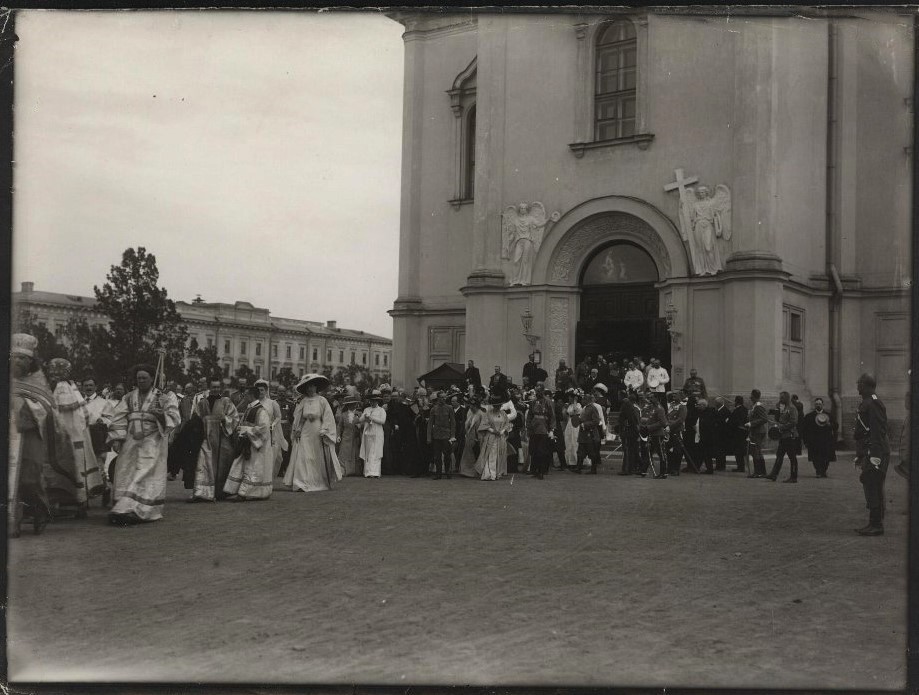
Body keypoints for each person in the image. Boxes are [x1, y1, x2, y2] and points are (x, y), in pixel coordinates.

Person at [107, 364, 180, 525]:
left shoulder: (162, 398)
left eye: (144, 378)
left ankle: (139, 510)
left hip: (152, 441)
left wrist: (161, 416)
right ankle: (122, 507)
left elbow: (174, 418)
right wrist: (117, 439)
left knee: (144, 473)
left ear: (152, 379)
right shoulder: (129, 397)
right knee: (125, 471)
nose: (141, 381)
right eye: (138, 378)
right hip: (131, 442)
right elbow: (118, 418)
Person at [8, 333, 55, 535]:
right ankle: (13, 520)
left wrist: (22, 409)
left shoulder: (38, 381)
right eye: (15, 357)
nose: (17, 361)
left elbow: (46, 406)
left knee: (29, 477)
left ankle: (39, 510)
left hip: (29, 435)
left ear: (31, 361)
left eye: (22, 358)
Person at [46, 358, 104, 508]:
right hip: (75, 434)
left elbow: (69, 415)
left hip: (71, 434)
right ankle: (76, 498)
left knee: (74, 465)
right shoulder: (67, 386)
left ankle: (75, 498)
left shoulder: (64, 386)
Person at [285, 373, 342, 491]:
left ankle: (316, 481)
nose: (310, 388)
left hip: (317, 430)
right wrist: (298, 429)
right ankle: (301, 483)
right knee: (303, 455)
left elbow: (328, 417)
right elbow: (299, 417)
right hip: (305, 431)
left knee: (315, 456)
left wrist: (324, 430)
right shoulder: (303, 401)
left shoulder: (322, 400)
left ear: (316, 387)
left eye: (312, 386)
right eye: (308, 386)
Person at [189, 379, 239, 502]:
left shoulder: (226, 401)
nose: (216, 389)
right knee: (203, 463)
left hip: (222, 438)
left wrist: (225, 419)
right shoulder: (202, 403)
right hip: (205, 438)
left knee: (221, 466)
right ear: (209, 387)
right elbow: (196, 418)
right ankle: (202, 492)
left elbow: (235, 418)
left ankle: (219, 492)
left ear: (220, 388)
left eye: (218, 387)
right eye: (213, 387)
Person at [223, 383, 274, 501]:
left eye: (246, 395)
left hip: (256, 446)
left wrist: (247, 431)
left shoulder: (261, 411)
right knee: (240, 465)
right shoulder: (249, 409)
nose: (244, 398)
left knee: (252, 468)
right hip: (247, 443)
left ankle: (244, 493)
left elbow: (264, 429)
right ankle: (235, 490)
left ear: (251, 396)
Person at [854, 374, 890, 536]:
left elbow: (877, 431)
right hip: (869, 449)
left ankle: (876, 524)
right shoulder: (868, 402)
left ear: (867, 385)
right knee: (870, 483)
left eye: (859, 383)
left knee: (872, 483)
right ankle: (874, 522)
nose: (857, 386)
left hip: (875, 450)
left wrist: (875, 455)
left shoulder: (873, 403)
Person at [82, 376, 114, 503]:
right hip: (83, 436)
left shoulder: (104, 403)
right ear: (82, 387)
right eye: (86, 385)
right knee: (83, 467)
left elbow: (111, 419)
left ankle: (105, 488)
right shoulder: (78, 402)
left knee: (98, 465)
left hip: (97, 437)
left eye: (91, 385)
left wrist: (103, 421)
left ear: (96, 387)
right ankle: (85, 498)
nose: (88, 388)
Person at [475, 393, 512, 481]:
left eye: (499, 405)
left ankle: (497, 473)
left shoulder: (503, 413)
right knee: (491, 454)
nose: (498, 407)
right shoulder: (488, 413)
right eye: (496, 406)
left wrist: (502, 431)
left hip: (500, 437)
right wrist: (493, 431)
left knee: (499, 454)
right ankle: (490, 474)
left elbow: (507, 424)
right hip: (491, 437)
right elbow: (484, 425)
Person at [766, 391, 800, 483]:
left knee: (792, 457)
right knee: (779, 455)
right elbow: (780, 418)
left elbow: (793, 422)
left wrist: (781, 427)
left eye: (782, 398)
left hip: (790, 436)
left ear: (786, 398)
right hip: (783, 436)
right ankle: (774, 474)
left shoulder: (792, 408)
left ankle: (793, 477)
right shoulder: (783, 407)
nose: (780, 399)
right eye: (780, 398)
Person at [801, 397, 838, 478]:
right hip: (814, 441)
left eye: (820, 404)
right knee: (815, 457)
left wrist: (830, 425)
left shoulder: (828, 415)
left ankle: (824, 471)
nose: (818, 405)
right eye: (816, 404)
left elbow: (836, 426)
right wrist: (806, 441)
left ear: (823, 405)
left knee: (827, 457)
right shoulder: (809, 416)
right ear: (814, 405)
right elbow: (804, 429)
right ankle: (818, 471)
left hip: (826, 440)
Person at [526, 386, 556, 480]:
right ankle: (534, 471)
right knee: (534, 450)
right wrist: (528, 427)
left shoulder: (548, 402)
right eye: (537, 391)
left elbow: (552, 416)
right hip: (534, 429)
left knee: (541, 451)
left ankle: (542, 471)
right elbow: (530, 416)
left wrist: (551, 430)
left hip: (544, 429)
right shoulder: (533, 402)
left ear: (543, 391)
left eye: (540, 391)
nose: (538, 392)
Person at [427, 391, 456, 480]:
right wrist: (429, 437)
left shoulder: (449, 408)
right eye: (442, 397)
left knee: (447, 455)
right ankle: (438, 473)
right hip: (436, 435)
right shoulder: (433, 409)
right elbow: (430, 423)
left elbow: (453, 423)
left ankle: (447, 471)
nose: (444, 399)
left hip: (446, 435)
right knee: (437, 456)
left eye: (445, 397)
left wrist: (452, 436)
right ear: (438, 398)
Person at [359, 390, 387, 479]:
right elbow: (360, 420)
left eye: (374, 401)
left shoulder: (381, 410)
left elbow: (383, 421)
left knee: (376, 452)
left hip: (377, 434)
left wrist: (372, 418)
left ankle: (375, 472)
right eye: (371, 401)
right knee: (368, 452)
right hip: (368, 433)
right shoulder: (367, 409)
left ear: (377, 401)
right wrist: (365, 416)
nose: (372, 402)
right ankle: (368, 472)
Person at [574, 392, 602, 474]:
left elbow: (596, 421)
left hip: (590, 434)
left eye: (583, 399)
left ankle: (593, 470)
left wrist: (585, 424)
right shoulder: (585, 408)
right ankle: (578, 468)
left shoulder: (593, 408)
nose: (582, 400)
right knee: (580, 451)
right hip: (583, 434)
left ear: (587, 400)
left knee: (592, 452)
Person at [459, 395, 485, 477]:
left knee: (476, 454)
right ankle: (467, 471)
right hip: (470, 437)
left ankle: (477, 471)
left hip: (477, 437)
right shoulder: (471, 414)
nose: (470, 407)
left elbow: (482, 427)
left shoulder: (481, 414)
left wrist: (478, 438)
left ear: (475, 405)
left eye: (471, 405)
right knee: (469, 455)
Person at [336, 396, 362, 476]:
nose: (352, 406)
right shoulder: (343, 415)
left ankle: (355, 471)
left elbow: (364, 423)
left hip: (356, 437)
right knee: (344, 453)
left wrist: (360, 425)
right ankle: (344, 470)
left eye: (353, 404)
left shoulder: (360, 414)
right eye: (350, 404)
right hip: (345, 437)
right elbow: (339, 426)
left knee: (355, 453)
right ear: (347, 405)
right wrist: (338, 436)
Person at [745, 389, 768, 478]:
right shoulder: (755, 406)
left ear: (754, 396)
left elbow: (764, 419)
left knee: (755, 451)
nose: (750, 397)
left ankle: (758, 472)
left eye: (751, 395)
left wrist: (751, 423)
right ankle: (761, 472)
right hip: (756, 431)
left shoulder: (758, 406)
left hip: (758, 432)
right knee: (757, 451)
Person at [665, 391, 688, 475]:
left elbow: (680, 420)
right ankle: (669, 467)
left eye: (676, 395)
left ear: (680, 396)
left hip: (677, 431)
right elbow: (667, 416)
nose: (673, 396)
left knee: (677, 451)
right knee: (669, 450)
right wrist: (666, 424)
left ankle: (675, 469)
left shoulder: (682, 407)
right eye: (673, 395)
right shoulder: (671, 405)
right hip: (669, 431)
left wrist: (670, 426)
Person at [617, 393, 640, 475]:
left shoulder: (628, 406)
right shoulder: (635, 407)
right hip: (632, 431)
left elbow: (630, 420)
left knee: (627, 450)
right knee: (632, 450)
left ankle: (626, 469)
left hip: (628, 431)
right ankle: (632, 468)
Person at [727, 395, 750, 474]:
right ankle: (741, 466)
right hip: (743, 433)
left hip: (737, 433)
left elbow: (734, 421)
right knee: (741, 450)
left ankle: (740, 467)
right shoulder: (745, 409)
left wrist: (729, 421)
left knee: (738, 451)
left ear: (736, 402)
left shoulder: (737, 410)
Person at [696, 398, 718, 474]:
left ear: (703, 405)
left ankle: (709, 469)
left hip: (707, 437)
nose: (697, 406)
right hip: (703, 436)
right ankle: (698, 467)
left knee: (706, 454)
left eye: (698, 405)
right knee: (702, 453)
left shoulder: (709, 413)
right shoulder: (702, 412)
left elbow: (707, 425)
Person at [563, 390, 583, 471]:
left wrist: (575, 401)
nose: (569, 399)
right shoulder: (569, 405)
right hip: (570, 423)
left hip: (575, 422)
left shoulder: (578, 405)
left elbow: (575, 411)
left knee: (575, 440)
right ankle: (570, 461)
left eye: (570, 397)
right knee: (568, 440)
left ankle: (576, 461)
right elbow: (567, 414)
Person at [712, 396, 731, 471]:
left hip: (722, 435)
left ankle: (721, 465)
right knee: (718, 451)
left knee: (721, 451)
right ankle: (718, 465)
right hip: (717, 434)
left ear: (718, 403)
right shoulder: (717, 410)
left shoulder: (725, 411)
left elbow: (726, 423)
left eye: (715, 403)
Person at [450, 393, 467, 474]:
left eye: (454, 401)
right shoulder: (450, 410)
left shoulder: (463, 411)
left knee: (460, 450)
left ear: (458, 402)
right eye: (451, 402)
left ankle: (458, 466)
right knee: (452, 450)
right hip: (452, 433)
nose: (452, 403)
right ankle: (454, 466)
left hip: (460, 433)